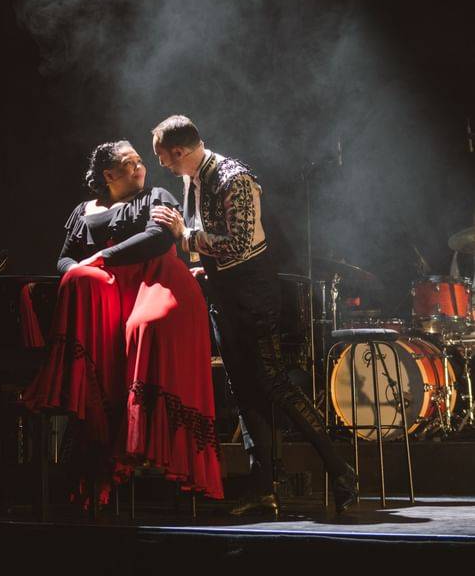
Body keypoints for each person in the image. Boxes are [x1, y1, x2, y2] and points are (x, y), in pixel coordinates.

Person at [150, 115, 357, 516]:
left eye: (164, 159)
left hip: (252, 293)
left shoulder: (233, 178)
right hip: (224, 294)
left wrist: (186, 237)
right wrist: (200, 265)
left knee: (273, 383)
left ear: (179, 152)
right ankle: (264, 489)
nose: (164, 166)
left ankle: (340, 468)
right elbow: (217, 245)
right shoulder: (191, 178)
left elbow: (240, 243)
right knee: (244, 393)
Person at [23, 139, 223, 506]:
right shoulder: (84, 210)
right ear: (109, 174)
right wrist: (82, 270)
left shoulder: (156, 195)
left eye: (139, 161)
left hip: (151, 281)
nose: (140, 167)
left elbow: (158, 237)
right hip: (106, 294)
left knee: (146, 324)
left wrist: (99, 258)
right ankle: (84, 385)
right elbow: (66, 260)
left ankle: (147, 438)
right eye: (129, 164)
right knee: (79, 279)